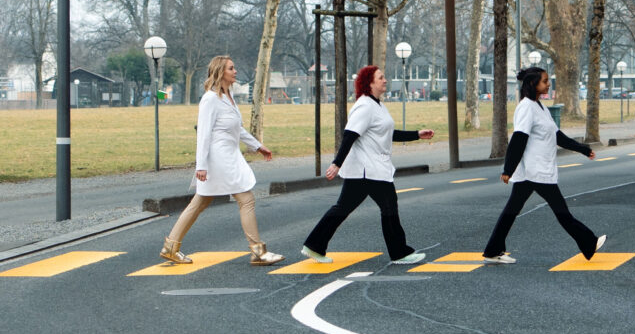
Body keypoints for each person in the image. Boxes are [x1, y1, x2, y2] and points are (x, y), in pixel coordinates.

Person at [300, 65, 433, 265]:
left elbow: (387, 133)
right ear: (370, 83)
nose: (385, 80)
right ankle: (399, 253)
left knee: (343, 209)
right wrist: (336, 164)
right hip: (367, 170)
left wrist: (416, 135)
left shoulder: (377, 105)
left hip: (369, 169)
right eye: (381, 77)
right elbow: (350, 135)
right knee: (388, 206)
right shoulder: (365, 106)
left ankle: (314, 245)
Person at [159, 56, 285, 266]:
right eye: (231, 68)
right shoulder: (210, 99)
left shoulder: (228, 95)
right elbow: (204, 134)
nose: (235, 71)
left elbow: (238, 128)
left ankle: (170, 247)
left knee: (200, 202)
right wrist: (201, 166)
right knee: (246, 199)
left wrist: (258, 146)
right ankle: (258, 252)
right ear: (220, 72)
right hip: (219, 159)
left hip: (228, 157)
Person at [482, 67, 607, 264]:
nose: (548, 84)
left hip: (537, 170)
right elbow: (518, 139)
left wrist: (582, 148)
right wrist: (508, 169)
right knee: (561, 211)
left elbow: (557, 136)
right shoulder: (526, 107)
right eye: (545, 81)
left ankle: (492, 250)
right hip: (535, 170)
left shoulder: (540, 107)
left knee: (512, 211)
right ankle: (588, 242)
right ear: (533, 84)